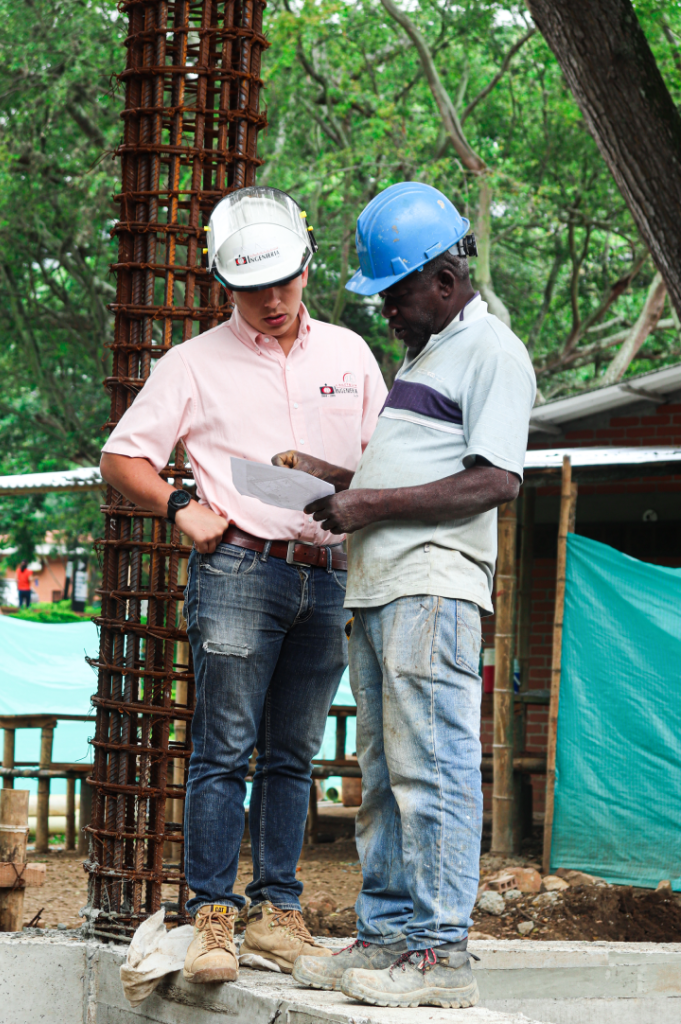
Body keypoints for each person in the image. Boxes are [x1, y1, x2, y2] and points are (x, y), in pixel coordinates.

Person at [99, 186, 388, 983]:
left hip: (327, 573)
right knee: (224, 749)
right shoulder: (192, 364)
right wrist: (180, 503)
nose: (271, 301)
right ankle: (212, 917)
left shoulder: (350, 356)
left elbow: (384, 462)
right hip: (237, 569)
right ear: (224, 285)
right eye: (251, 288)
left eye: (284, 283)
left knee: (293, 754)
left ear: (307, 267)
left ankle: (277, 912)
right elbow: (121, 456)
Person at [285, 182, 536, 1009]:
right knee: (387, 772)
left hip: (433, 587)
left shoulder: (491, 350)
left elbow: (495, 479)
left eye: (392, 295)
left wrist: (367, 505)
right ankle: (389, 935)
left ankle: (440, 954)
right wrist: (338, 484)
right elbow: (416, 472)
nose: (385, 312)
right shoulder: (425, 354)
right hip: (383, 586)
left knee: (434, 769)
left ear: (442, 277)